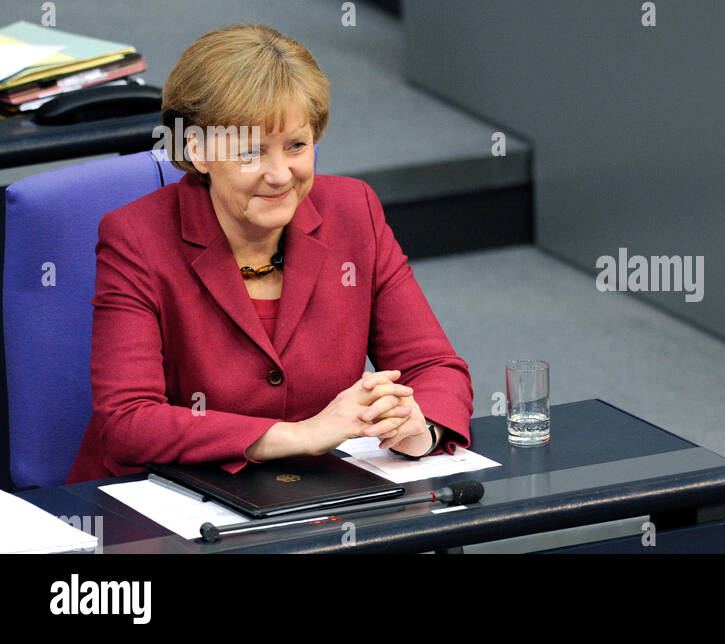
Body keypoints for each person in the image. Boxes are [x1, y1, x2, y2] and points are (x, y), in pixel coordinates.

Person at [66, 23, 473, 483]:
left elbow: (434, 367)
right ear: (196, 149)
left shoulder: (352, 210)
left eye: (296, 145)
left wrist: (419, 428)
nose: (280, 175)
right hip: (167, 503)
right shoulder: (136, 237)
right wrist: (300, 434)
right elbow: (129, 422)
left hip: (314, 497)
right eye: (250, 153)